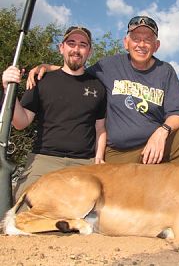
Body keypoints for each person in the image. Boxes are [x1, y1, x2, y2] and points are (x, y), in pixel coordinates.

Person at [28, 16, 179, 165]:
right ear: (126, 43)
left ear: (156, 45)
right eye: (136, 39)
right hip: (118, 153)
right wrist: (48, 67)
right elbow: (76, 72)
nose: (141, 44)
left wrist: (161, 132)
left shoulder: (165, 71)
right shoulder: (108, 66)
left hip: (154, 147)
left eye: (148, 40)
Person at [2, 26, 107, 198]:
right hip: (43, 160)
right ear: (61, 48)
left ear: (89, 51)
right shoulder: (42, 80)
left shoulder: (98, 87)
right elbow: (20, 122)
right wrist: (8, 89)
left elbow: (100, 129)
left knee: (88, 216)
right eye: (71, 43)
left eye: (82, 45)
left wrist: (99, 157)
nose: (76, 49)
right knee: (23, 211)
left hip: (83, 164)